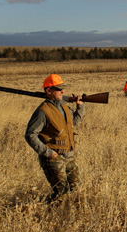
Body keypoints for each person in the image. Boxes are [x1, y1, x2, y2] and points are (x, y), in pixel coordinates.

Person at [25, 74, 84, 203]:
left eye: (62, 88)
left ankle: (69, 212)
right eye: (59, 89)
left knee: (76, 188)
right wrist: (47, 152)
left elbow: (72, 123)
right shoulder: (43, 111)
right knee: (61, 192)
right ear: (48, 91)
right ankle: (45, 211)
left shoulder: (64, 106)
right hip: (53, 157)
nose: (62, 91)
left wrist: (80, 107)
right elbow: (30, 134)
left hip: (68, 155)